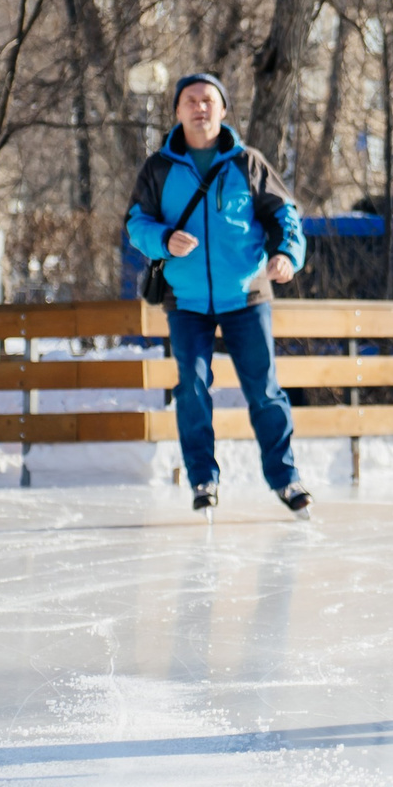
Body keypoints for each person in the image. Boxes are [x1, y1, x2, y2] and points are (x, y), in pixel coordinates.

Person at [125, 73, 314, 517]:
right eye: (190, 100)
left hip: (246, 296)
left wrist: (287, 254)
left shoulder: (248, 163)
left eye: (208, 100)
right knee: (191, 387)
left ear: (223, 109)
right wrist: (163, 239)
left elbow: (286, 216)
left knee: (264, 390)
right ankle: (203, 478)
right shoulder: (158, 168)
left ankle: (286, 479)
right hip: (186, 300)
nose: (200, 107)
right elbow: (136, 223)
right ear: (177, 111)